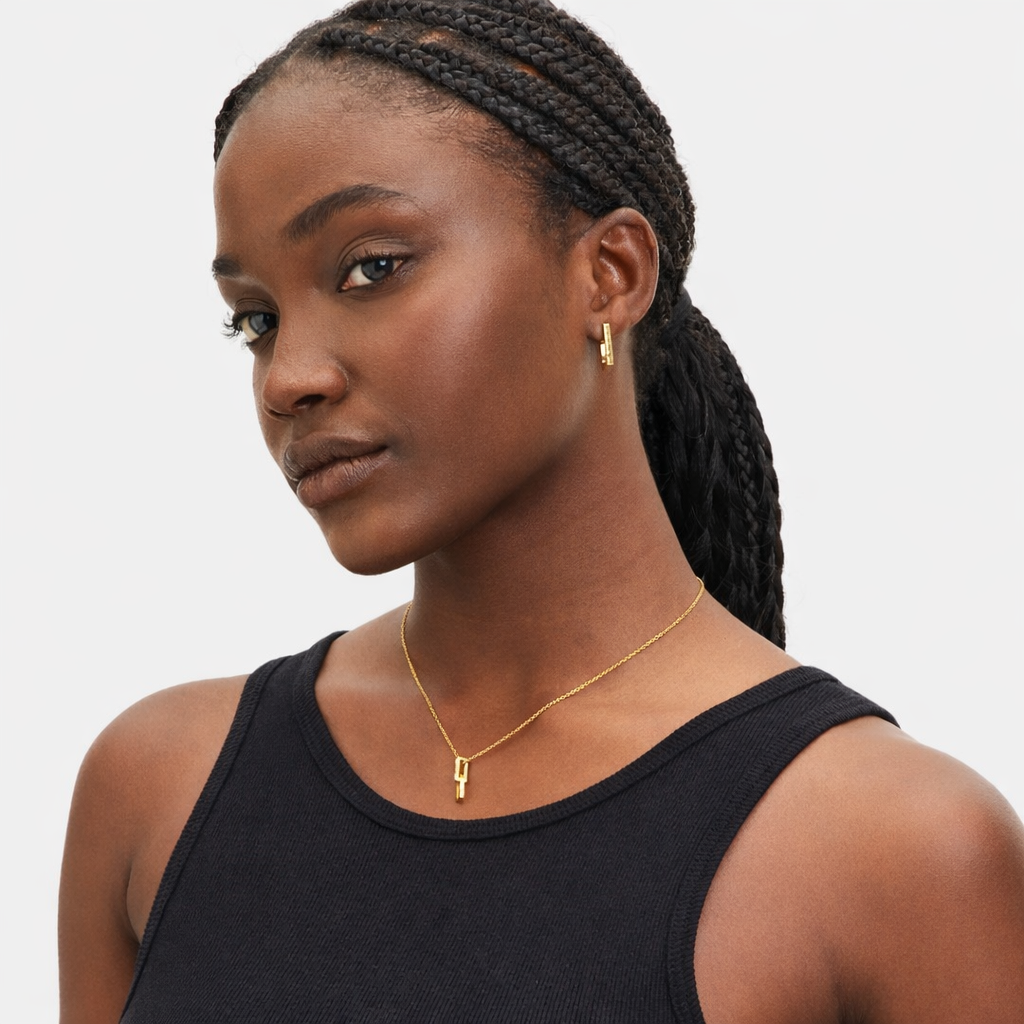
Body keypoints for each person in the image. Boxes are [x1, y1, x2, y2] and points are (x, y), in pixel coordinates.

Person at [58, 1, 1024, 1021]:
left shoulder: (892, 847)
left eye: (370, 268)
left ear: (608, 275)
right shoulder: (163, 790)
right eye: (255, 317)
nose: (288, 376)